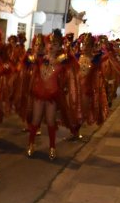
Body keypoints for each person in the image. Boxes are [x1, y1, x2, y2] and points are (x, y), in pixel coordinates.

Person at [24, 30, 79, 160]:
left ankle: (52, 147)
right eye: (50, 43)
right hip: (39, 93)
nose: (52, 45)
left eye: (56, 43)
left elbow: (72, 72)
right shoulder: (40, 59)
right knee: (36, 120)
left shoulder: (62, 60)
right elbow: (26, 64)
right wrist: (32, 55)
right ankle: (31, 144)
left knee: (50, 121)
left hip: (52, 95)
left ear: (60, 46)